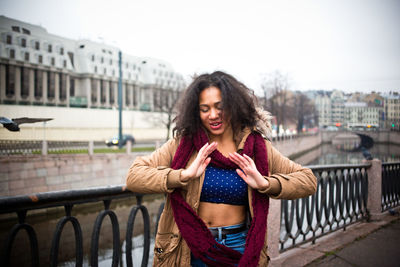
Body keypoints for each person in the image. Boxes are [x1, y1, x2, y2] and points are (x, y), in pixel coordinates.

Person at [126, 71, 317, 267]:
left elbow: (308, 180)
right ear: (196, 112)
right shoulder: (183, 144)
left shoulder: (256, 147)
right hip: (189, 245)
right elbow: (134, 176)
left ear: (233, 106)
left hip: (239, 246)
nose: (213, 115)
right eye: (204, 109)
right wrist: (184, 175)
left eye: (220, 107)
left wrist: (265, 183)